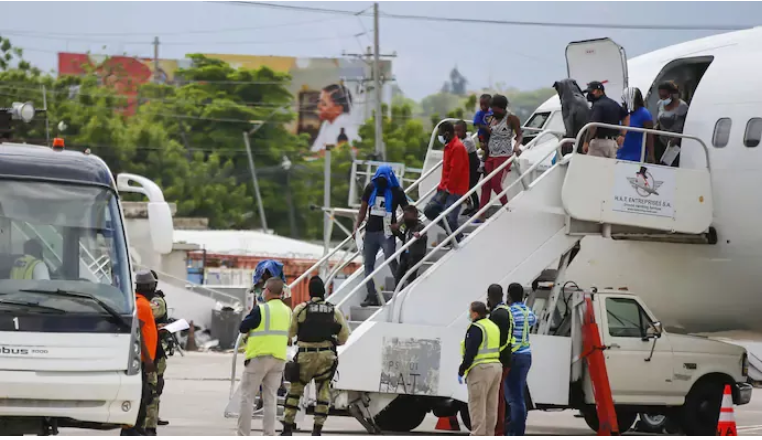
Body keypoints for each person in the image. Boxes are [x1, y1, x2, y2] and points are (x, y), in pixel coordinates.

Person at [281, 276, 350, 436]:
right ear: (323, 292)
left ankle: (287, 429)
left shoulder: (301, 309)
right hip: (326, 357)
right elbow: (344, 337)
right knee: (323, 393)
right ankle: (317, 430)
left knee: (295, 391)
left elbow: (290, 334)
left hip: (305, 356)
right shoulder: (334, 311)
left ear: (310, 292)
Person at [238, 278, 291, 436]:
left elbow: (243, 327)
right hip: (279, 358)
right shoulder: (287, 311)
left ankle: (243, 435)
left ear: (267, 290)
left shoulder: (261, 309)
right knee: (271, 399)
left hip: (259, 357)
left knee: (247, 397)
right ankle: (269, 434)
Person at [354, 164, 408, 307]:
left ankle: (400, 287)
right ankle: (371, 295)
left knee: (390, 258)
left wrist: (399, 223)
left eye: (384, 178)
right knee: (368, 264)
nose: (381, 182)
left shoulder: (397, 191)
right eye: (379, 178)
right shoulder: (371, 187)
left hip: (388, 230)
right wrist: (356, 226)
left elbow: (408, 210)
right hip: (371, 230)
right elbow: (363, 209)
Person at [120, 270, 158, 436]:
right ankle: (132, 431)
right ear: (149, 286)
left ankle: (134, 430)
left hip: (141, 358)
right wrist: (149, 359)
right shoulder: (141, 304)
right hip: (142, 359)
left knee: (143, 395)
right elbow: (138, 332)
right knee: (142, 396)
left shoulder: (137, 301)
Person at [458, 301, 502, 436]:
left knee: (477, 406)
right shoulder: (493, 326)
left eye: (470, 311)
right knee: (491, 407)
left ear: (475, 313)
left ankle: (477, 435)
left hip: (481, 369)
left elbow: (471, 351)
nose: (469, 314)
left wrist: (462, 369)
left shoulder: (476, 327)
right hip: (496, 367)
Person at [478, 95, 522, 220]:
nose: (493, 112)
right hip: (491, 154)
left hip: (503, 155)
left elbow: (519, 135)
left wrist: (517, 146)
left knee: (496, 183)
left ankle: (507, 209)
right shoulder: (491, 118)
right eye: (492, 109)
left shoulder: (511, 119)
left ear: (502, 108)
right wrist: (482, 142)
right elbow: (486, 133)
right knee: (485, 184)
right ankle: (480, 215)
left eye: (495, 109)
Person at [505, 282, 537, 436]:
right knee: (519, 395)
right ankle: (517, 430)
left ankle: (515, 432)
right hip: (526, 355)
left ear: (509, 296)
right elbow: (533, 321)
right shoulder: (528, 312)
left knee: (514, 398)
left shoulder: (510, 312)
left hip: (514, 355)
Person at [487, 284, 513, 436]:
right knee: (499, 396)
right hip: (505, 359)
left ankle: (497, 429)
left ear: (490, 297)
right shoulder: (505, 311)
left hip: (500, 361)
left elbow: (499, 340)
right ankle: (498, 428)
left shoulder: (498, 315)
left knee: (496, 398)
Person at [437, 121, 469, 242]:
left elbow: (455, 172)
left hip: (456, 190)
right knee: (431, 211)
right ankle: (454, 236)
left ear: (446, 133)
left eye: (440, 134)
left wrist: (446, 190)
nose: (439, 137)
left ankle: (457, 238)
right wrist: (441, 187)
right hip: (446, 188)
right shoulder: (448, 146)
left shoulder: (457, 147)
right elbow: (447, 170)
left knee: (451, 218)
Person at [145, 270, 169, 433]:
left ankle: (151, 419)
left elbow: (153, 313)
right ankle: (147, 422)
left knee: (155, 386)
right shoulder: (143, 301)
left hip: (156, 350)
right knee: (150, 387)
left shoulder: (156, 300)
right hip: (148, 350)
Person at [583, 81, 626, 159]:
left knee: (590, 169)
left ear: (600, 91)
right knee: (609, 170)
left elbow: (593, 126)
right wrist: (623, 135)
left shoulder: (597, 105)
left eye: (591, 92)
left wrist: (586, 141)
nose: (589, 95)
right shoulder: (614, 103)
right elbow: (626, 116)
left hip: (599, 144)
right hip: (613, 143)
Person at [311, 84, 358, 152]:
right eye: (319, 102)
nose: (319, 106)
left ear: (338, 109)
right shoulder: (327, 123)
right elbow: (316, 149)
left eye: (324, 104)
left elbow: (329, 152)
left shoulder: (344, 125)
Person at [391, 205, 427, 289]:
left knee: (411, 275)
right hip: (405, 254)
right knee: (398, 274)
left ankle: (409, 292)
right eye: (404, 214)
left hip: (415, 254)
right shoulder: (406, 225)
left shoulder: (420, 226)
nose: (405, 217)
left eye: (407, 215)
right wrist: (396, 228)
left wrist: (418, 236)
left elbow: (423, 236)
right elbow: (401, 234)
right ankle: (398, 292)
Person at [655, 81, 689, 167]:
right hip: (662, 140)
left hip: (675, 142)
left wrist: (678, 137)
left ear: (671, 94)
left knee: (672, 165)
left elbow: (686, 124)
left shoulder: (682, 106)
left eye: (665, 96)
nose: (663, 98)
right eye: (660, 96)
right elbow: (658, 120)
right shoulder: (659, 104)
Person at [617, 87, 655, 163]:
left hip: (636, 155)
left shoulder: (644, 114)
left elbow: (650, 136)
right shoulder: (623, 112)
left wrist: (651, 155)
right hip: (620, 153)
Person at [553, 79, 590, 154]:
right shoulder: (583, 99)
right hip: (587, 135)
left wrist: (568, 137)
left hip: (578, 136)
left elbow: (568, 119)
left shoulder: (567, 100)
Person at [455, 120, 480, 217]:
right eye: (455, 131)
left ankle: (476, 207)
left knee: (470, 188)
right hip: (467, 168)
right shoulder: (462, 140)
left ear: (465, 130)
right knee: (463, 187)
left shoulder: (468, 141)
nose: (457, 133)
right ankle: (469, 206)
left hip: (474, 168)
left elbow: (461, 154)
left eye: (459, 130)